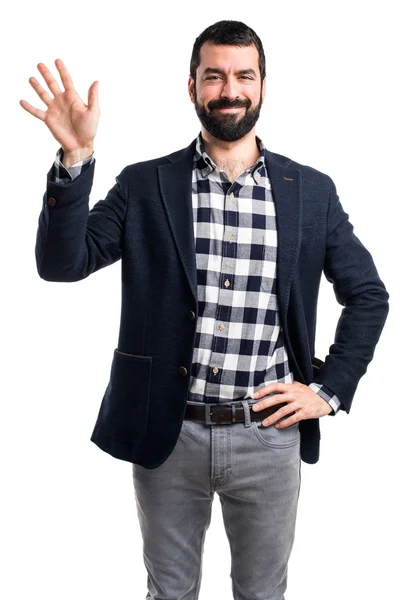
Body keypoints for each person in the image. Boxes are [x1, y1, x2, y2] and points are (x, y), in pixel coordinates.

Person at [21, 20, 389, 600]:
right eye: (213, 76)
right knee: (168, 593)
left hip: (269, 435)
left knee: (262, 595)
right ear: (191, 86)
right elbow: (62, 263)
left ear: (263, 85)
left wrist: (327, 389)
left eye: (244, 75)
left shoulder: (310, 192)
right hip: (171, 433)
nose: (229, 89)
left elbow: (368, 295)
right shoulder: (147, 185)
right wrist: (75, 157)